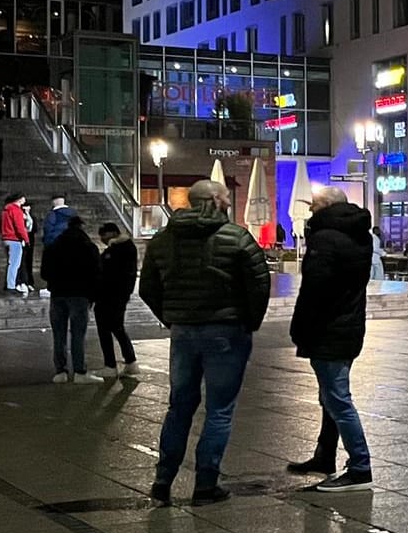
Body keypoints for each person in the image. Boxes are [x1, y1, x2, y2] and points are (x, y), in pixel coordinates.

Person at [141, 179, 272, 504]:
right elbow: (258, 283)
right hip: (226, 331)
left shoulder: (163, 239)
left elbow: (147, 287)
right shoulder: (236, 236)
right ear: (215, 200)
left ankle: (162, 482)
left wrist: (173, 316)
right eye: (226, 196)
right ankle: (205, 485)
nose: (229, 200)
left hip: (184, 332)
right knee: (219, 410)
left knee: (179, 407)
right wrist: (248, 321)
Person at [285, 186, 375, 491]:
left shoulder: (325, 239)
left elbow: (314, 290)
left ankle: (360, 466)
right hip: (349, 325)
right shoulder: (360, 235)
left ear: (324, 208)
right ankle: (325, 454)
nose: (310, 211)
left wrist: (300, 328)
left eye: (314, 207)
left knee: (337, 399)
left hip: (328, 329)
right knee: (330, 396)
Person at [41, 215, 101, 381]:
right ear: (81, 227)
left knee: (58, 334)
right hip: (80, 295)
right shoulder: (88, 247)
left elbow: (44, 273)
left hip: (58, 294)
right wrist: (93, 296)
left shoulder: (53, 247)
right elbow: (96, 273)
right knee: (78, 334)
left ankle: (60, 371)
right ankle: (80, 371)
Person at [95, 221, 138, 374]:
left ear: (112, 233)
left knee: (107, 328)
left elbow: (107, 271)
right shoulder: (125, 247)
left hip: (111, 295)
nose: (102, 239)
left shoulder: (118, 249)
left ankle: (111, 364)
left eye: (103, 235)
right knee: (117, 327)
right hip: (119, 294)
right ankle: (130, 361)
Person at [0, 192, 28, 295]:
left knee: (11, 263)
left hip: (6, 238)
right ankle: (11, 285)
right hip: (15, 239)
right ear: (19, 199)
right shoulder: (16, 210)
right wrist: (26, 239)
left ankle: (9, 284)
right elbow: (19, 226)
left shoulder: (5, 210)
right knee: (15, 264)